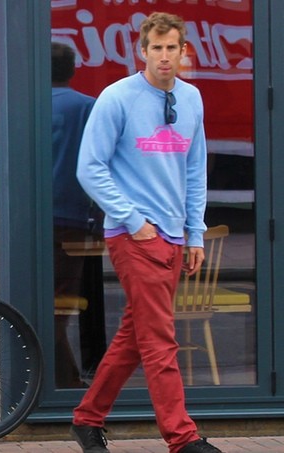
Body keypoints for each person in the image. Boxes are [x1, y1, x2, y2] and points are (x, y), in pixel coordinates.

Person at [70, 12, 222, 453]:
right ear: (142, 51)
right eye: (156, 48)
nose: (164, 56)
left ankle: (86, 419)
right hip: (134, 236)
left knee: (135, 337)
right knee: (159, 341)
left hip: (174, 237)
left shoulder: (191, 98)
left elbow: (195, 170)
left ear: (183, 50)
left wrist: (195, 234)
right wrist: (134, 222)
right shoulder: (117, 97)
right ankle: (181, 437)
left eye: (172, 47)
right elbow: (90, 168)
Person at [50, 42, 104, 388]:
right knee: (60, 305)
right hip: (74, 218)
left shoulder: (26, 103)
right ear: (72, 70)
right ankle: (64, 381)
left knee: (49, 303)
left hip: (33, 216)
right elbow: (99, 163)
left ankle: (64, 380)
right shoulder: (86, 107)